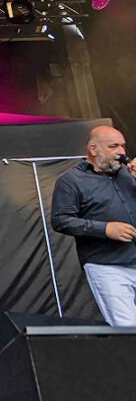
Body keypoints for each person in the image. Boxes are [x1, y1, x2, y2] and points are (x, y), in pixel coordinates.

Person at [51, 125, 136, 326]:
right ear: (93, 149)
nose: (122, 152)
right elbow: (61, 220)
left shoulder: (128, 174)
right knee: (128, 328)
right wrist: (105, 229)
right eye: (113, 146)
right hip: (108, 265)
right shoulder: (71, 180)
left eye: (123, 146)